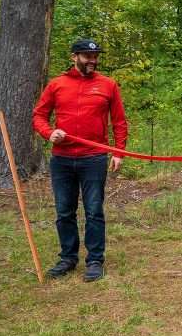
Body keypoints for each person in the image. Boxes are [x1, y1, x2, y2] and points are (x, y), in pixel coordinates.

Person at [32, 38, 128, 282]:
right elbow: (39, 116)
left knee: (94, 210)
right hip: (62, 160)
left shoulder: (108, 85)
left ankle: (95, 260)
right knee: (65, 211)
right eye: (87, 56)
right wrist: (49, 133)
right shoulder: (57, 85)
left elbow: (119, 121)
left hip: (94, 159)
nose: (92, 61)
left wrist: (119, 152)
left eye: (95, 56)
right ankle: (68, 258)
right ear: (74, 57)